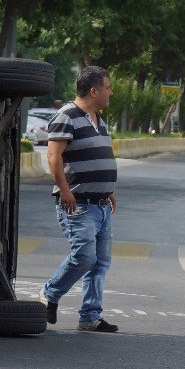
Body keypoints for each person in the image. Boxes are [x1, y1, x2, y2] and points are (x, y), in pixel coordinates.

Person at [40, 66, 119, 333]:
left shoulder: (98, 117)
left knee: (99, 262)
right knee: (84, 256)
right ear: (94, 90)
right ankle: (50, 293)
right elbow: (54, 157)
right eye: (108, 87)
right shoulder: (66, 116)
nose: (111, 92)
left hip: (100, 204)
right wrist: (64, 190)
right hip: (78, 203)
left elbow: (97, 155)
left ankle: (90, 316)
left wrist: (107, 188)